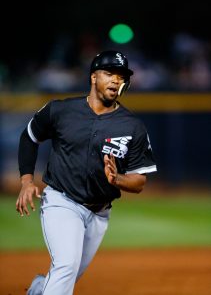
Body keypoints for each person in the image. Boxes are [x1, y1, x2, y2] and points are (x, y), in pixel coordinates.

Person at [16, 50, 157, 295]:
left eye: (121, 76)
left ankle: (37, 290)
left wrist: (117, 179)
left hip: (99, 213)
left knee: (66, 274)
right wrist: (27, 180)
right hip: (62, 201)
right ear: (93, 77)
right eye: (109, 73)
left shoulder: (133, 126)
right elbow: (29, 136)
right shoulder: (61, 110)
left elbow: (139, 181)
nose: (116, 80)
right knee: (66, 267)